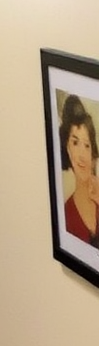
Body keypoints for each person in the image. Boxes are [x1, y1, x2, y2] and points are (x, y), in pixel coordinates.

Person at [59, 93, 99, 246]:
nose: (82, 156)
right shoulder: (66, 214)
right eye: (75, 143)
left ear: (93, 155)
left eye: (87, 145)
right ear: (68, 149)